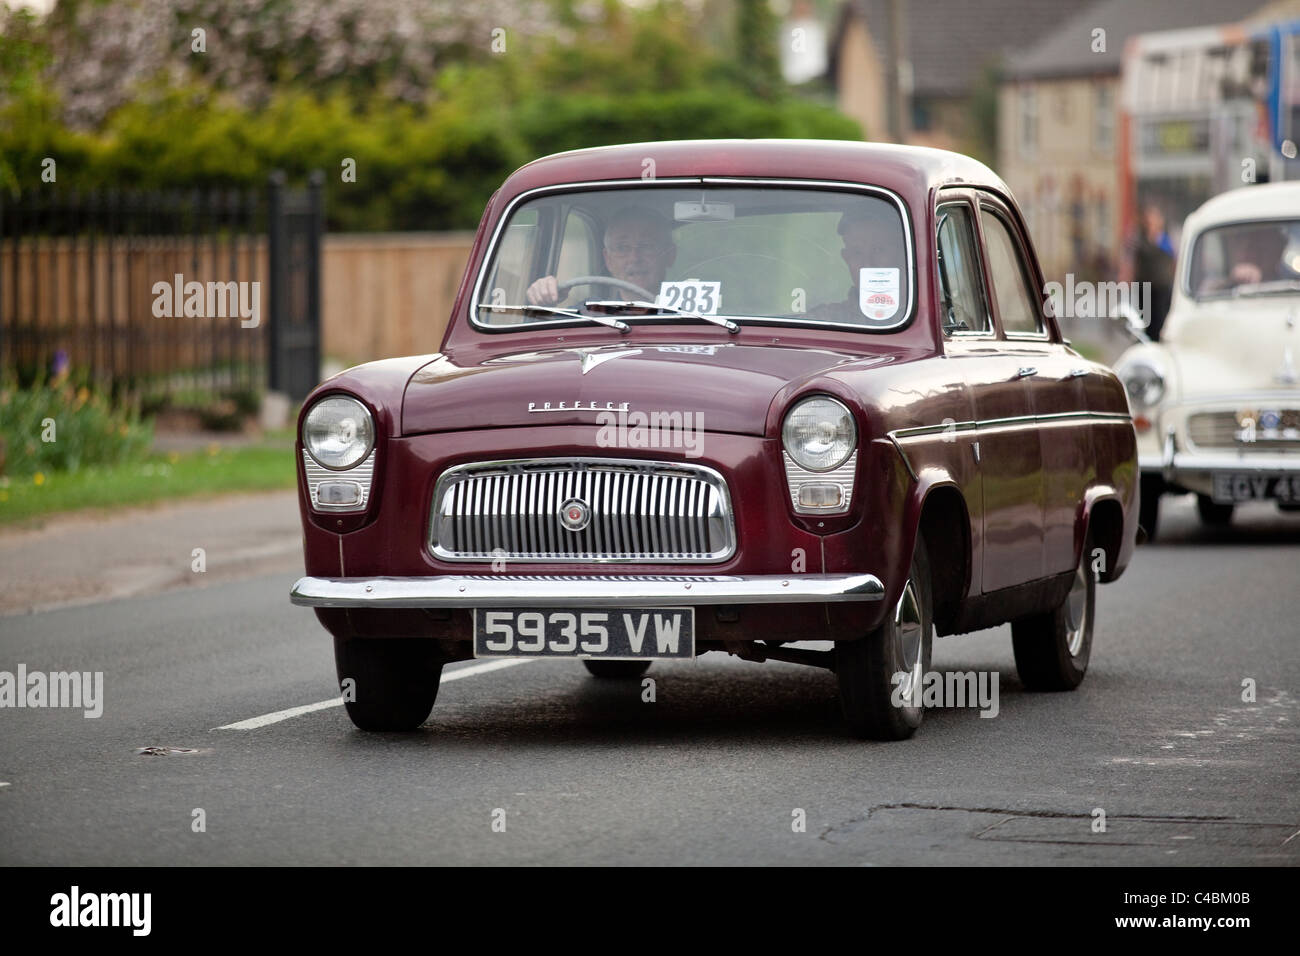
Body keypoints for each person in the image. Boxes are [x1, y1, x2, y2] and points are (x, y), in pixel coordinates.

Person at [525, 206, 676, 307]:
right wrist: (542, 302)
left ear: (670, 256)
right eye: (622, 248)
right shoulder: (588, 314)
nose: (634, 258)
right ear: (608, 260)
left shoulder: (691, 316)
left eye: (646, 246)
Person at [807, 205, 908, 325]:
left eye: (879, 250)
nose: (868, 264)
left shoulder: (927, 317)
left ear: (903, 253)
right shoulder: (827, 320)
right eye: (857, 253)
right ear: (846, 258)